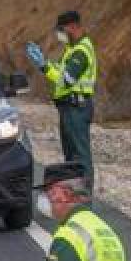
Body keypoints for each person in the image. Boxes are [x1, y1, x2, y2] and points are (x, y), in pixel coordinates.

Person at [25, 11, 98, 190]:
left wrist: (44, 65)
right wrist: (46, 64)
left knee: (79, 157)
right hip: (69, 107)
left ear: (73, 26)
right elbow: (60, 73)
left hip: (76, 107)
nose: (60, 34)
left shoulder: (81, 51)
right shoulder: (72, 49)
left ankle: (84, 197)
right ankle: (75, 196)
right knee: (71, 157)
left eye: (61, 30)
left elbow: (66, 79)